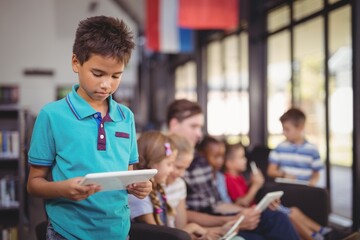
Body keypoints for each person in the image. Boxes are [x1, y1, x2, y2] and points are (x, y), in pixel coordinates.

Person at [26, 16, 152, 240]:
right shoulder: (51, 115)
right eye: (98, 74)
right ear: (76, 62)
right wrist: (63, 189)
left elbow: (128, 174)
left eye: (116, 76)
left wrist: (140, 187)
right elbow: (34, 184)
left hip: (119, 231)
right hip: (68, 232)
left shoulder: (126, 117)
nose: (107, 84)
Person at [167, 99, 300, 240]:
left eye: (200, 127)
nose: (199, 134)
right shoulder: (166, 164)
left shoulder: (201, 159)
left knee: (277, 218)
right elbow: (181, 214)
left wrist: (247, 212)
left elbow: (217, 204)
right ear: (174, 125)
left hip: (221, 217)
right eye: (193, 126)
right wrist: (231, 221)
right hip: (205, 225)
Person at [223, 142, 332, 240]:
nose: (245, 160)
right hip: (251, 214)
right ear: (229, 163)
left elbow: (243, 191)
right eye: (242, 157)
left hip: (256, 210)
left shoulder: (239, 177)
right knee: (290, 215)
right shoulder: (229, 179)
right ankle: (314, 236)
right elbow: (242, 202)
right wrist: (255, 186)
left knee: (294, 210)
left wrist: (251, 182)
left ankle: (321, 231)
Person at [128, 131, 207, 239]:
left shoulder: (157, 188)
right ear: (152, 163)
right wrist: (191, 228)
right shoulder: (138, 194)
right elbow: (160, 236)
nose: (171, 169)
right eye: (169, 164)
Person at [165, 133, 242, 240]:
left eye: (185, 168)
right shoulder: (155, 188)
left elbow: (181, 229)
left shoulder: (179, 185)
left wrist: (217, 230)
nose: (182, 174)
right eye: (178, 167)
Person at [267, 107, 324, 186]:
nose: (284, 133)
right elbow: (271, 171)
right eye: (283, 129)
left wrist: (313, 182)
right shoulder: (280, 148)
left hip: (305, 189)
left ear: (300, 127)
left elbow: (316, 174)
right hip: (285, 187)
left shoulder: (312, 150)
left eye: (287, 129)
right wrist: (283, 175)